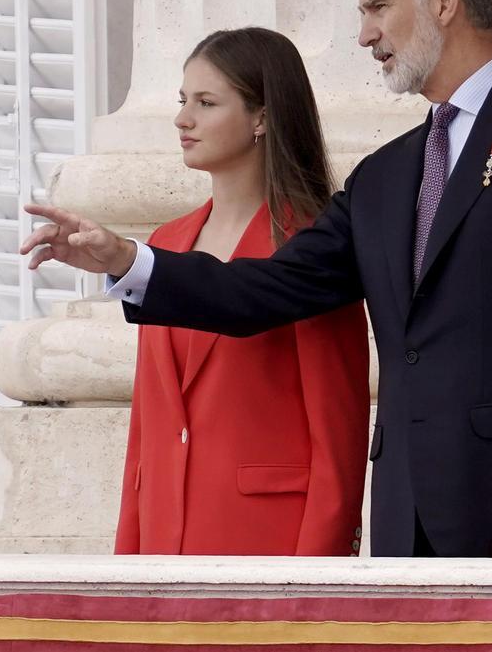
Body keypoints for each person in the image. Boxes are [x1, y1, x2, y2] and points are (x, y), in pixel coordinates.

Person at [22, 0, 492, 558]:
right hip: (407, 523)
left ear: (444, 1)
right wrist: (128, 260)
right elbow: (265, 288)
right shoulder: (385, 176)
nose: (365, 33)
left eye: (378, 7)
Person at [113, 28, 370, 556]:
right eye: (183, 101)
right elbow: (147, 432)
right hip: (163, 544)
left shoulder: (312, 248)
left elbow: (338, 434)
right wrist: (128, 563)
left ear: (262, 117)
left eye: (206, 103)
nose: (183, 119)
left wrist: (315, 584)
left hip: (269, 547)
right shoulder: (164, 245)